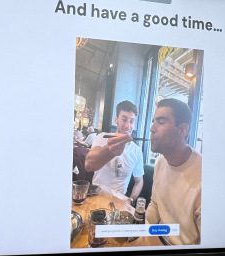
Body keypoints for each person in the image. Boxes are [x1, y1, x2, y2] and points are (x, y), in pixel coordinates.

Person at [145, 98, 201, 245]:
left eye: (161, 122)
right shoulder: (160, 163)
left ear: (182, 130)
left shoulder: (205, 177)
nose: (152, 128)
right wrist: (143, 231)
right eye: (154, 121)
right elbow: (155, 205)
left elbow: (210, 247)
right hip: (158, 242)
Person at [85, 101, 144, 199]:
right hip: (96, 194)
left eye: (132, 121)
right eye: (124, 119)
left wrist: (131, 200)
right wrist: (109, 150)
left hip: (120, 200)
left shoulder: (136, 151)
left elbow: (139, 181)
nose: (128, 126)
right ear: (116, 119)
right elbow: (89, 165)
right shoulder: (102, 138)